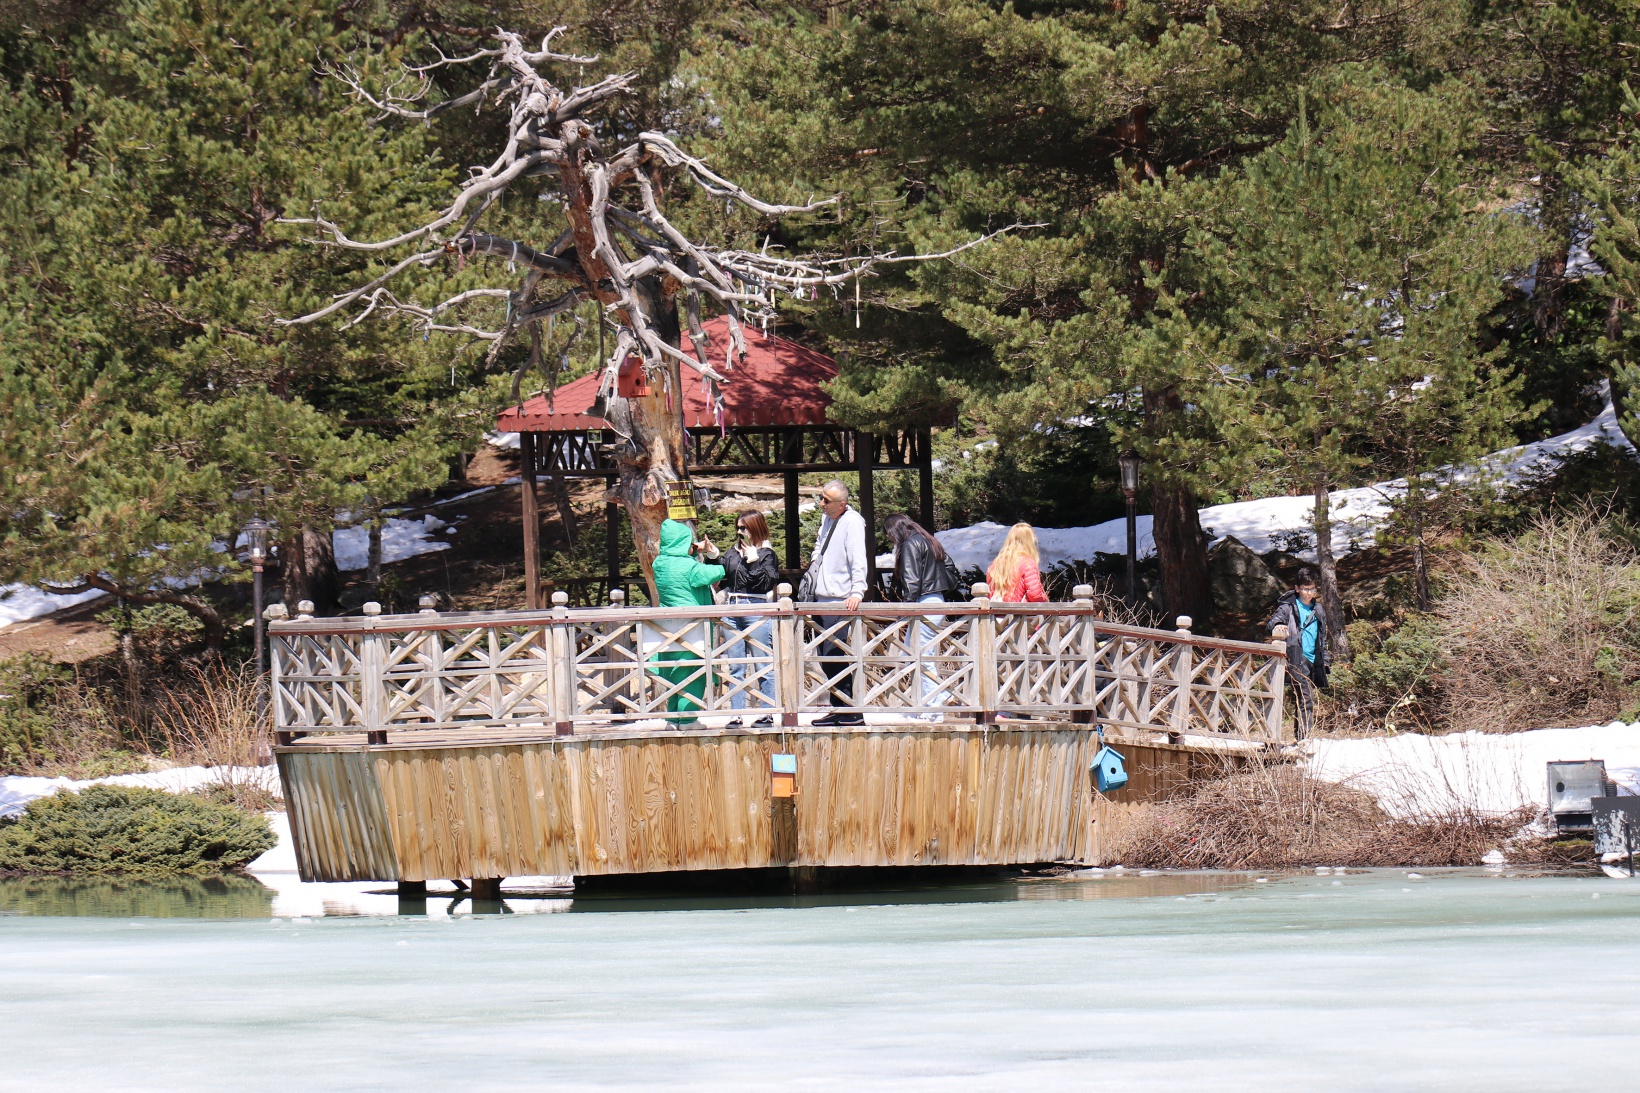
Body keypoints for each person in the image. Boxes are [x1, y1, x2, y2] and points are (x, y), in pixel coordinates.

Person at [648, 518, 724, 726]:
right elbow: (717, 572)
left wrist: (694, 549)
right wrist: (712, 554)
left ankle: (672, 718)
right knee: (693, 673)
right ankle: (688, 719)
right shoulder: (690, 568)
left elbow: (677, 554)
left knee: (672, 673)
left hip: (668, 627)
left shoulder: (659, 563)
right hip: (692, 629)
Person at [710, 510, 781, 726]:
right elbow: (721, 579)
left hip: (755, 606)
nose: (740, 532)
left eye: (744, 527)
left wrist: (754, 560)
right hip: (732, 607)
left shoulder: (767, 554)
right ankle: (736, 713)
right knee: (735, 664)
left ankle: (767, 712)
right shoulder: (733, 552)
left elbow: (765, 584)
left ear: (756, 527)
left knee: (762, 662)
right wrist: (714, 558)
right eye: (738, 528)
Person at [885, 513, 957, 719]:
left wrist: (905, 611)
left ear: (894, 530)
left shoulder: (909, 544)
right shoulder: (929, 539)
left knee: (921, 658)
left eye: (889, 535)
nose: (890, 539)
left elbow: (912, 581)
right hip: (937, 601)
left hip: (922, 604)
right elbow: (950, 567)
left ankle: (934, 707)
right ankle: (936, 698)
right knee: (915, 656)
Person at [808, 479, 868, 726]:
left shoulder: (852, 522)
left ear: (841, 504)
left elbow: (857, 558)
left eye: (826, 500)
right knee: (825, 656)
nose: (821, 503)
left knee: (837, 655)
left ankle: (851, 710)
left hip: (839, 598)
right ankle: (838, 707)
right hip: (822, 596)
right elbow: (819, 546)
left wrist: (857, 591)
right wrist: (815, 560)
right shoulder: (828, 519)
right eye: (821, 498)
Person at [1266, 568, 1330, 740]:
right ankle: (1303, 738)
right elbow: (1273, 622)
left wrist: (1325, 660)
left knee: (1304, 698)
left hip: (1311, 659)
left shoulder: (1318, 609)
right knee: (1305, 696)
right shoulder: (1288, 606)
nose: (1309, 593)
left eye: (1313, 589)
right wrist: (1279, 625)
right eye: (1306, 589)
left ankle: (1301, 736)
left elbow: (1322, 637)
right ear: (1297, 588)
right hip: (1295, 656)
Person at [986, 522, 1049, 603]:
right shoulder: (1027, 563)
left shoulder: (996, 563)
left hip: (995, 613)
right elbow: (1035, 595)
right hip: (1017, 613)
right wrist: (1044, 599)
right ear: (1029, 541)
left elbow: (989, 592)